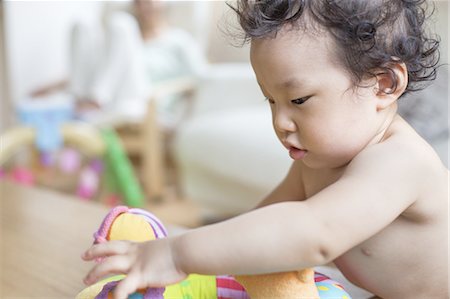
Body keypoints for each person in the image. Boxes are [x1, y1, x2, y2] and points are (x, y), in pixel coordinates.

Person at [81, 0, 448, 298]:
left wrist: (178, 254)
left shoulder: (401, 163)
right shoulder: (316, 162)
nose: (281, 122)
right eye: (271, 101)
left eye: (299, 99)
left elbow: (313, 233)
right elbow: (263, 227)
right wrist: (194, 267)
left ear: (384, 84)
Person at [31, 0, 206, 127]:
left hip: (144, 103)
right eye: (141, 2)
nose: (147, 6)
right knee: (81, 26)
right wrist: (52, 87)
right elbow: (105, 73)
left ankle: (94, 102)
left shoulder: (179, 40)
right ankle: (81, 100)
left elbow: (202, 79)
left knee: (120, 23)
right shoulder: (126, 43)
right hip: (111, 99)